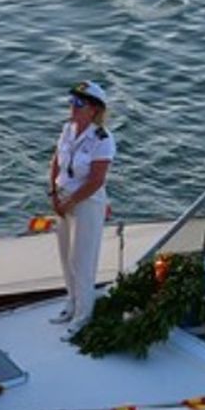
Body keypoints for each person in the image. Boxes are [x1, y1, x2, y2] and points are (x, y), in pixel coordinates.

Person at [48, 80, 116, 327]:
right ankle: (72, 302)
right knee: (66, 255)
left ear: (94, 110)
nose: (73, 107)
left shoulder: (102, 139)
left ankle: (82, 317)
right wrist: (53, 194)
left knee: (82, 260)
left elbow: (97, 180)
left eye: (79, 104)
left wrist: (70, 202)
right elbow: (56, 161)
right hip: (63, 198)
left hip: (86, 203)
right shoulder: (68, 129)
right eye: (72, 102)